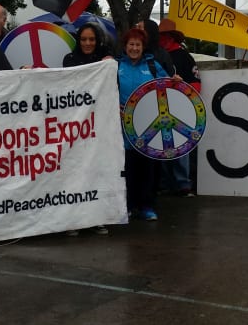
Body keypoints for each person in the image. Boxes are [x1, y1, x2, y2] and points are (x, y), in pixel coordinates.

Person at [62, 22, 114, 236]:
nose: (87, 43)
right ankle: (73, 219)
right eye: (83, 39)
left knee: (97, 171)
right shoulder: (69, 59)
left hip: (100, 125)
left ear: (98, 41)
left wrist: (110, 65)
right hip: (76, 125)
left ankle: (97, 217)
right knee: (75, 172)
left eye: (92, 39)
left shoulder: (107, 61)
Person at [117, 28, 172, 222]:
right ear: (125, 46)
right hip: (123, 127)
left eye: (137, 45)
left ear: (143, 47)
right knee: (128, 167)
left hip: (149, 126)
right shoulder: (116, 66)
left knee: (148, 168)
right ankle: (129, 206)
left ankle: (147, 206)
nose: (134, 48)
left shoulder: (153, 66)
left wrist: (177, 82)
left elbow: (168, 88)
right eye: (131, 44)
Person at [158, 18, 200, 197]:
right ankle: (164, 183)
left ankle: (183, 183)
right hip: (159, 109)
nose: (162, 39)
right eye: (160, 36)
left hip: (181, 109)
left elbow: (196, 84)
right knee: (159, 146)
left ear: (172, 37)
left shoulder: (184, 57)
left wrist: (184, 98)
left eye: (166, 36)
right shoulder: (156, 56)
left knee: (181, 148)